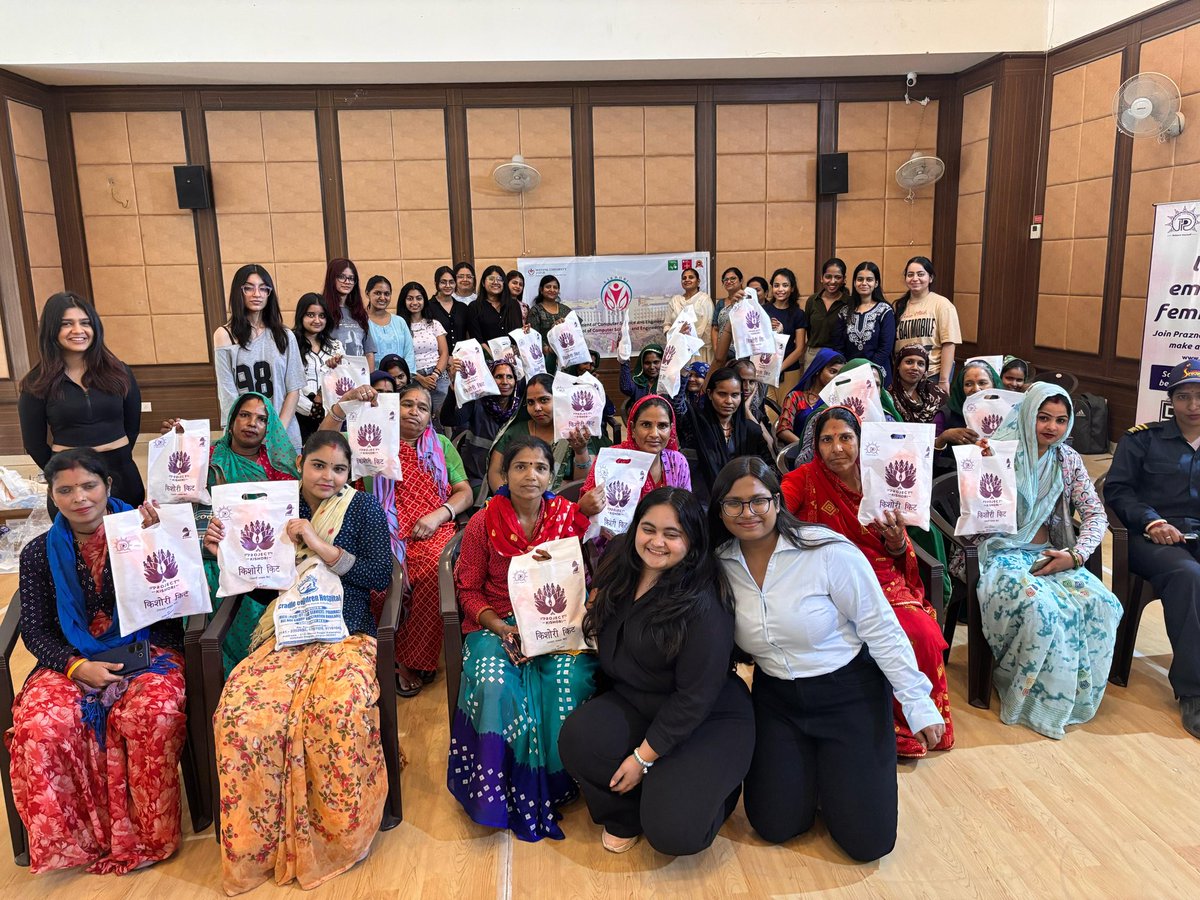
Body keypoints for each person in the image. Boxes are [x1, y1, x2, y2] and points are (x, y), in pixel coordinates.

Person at [710, 458, 945, 860]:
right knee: (774, 826)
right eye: (734, 504)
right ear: (719, 509)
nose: (747, 513)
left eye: (758, 501)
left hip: (848, 694)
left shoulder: (826, 550)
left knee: (868, 844)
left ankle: (839, 772)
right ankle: (819, 775)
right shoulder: (719, 563)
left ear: (778, 502)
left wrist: (918, 701)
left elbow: (881, 628)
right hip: (777, 698)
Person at [208, 430, 393, 894]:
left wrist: (319, 543)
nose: (327, 477)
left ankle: (336, 838)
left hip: (345, 635)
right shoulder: (274, 506)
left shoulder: (361, 508)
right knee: (240, 717)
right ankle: (260, 844)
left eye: (339, 469)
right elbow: (262, 584)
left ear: (350, 474)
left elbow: (378, 575)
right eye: (318, 465)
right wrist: (226, 554)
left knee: (335, 711)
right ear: (300, 464)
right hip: (285, 635)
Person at [9, 448, 184, 875]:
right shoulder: (37, 554)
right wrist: (75, 667)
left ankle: (146, 838)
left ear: (108, 485)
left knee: (152, 712)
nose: (79, 498)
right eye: (65, 490)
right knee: (42, 724)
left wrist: (165, 539)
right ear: (52, 494)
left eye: (89, 485)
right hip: (69, 658)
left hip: (148, 649)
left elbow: (178, 601)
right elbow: (35, 630)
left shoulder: (143, 530)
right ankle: (80, 842)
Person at [559, 488, 754, 855]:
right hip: (638, 699)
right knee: (578, 739)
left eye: (672, 534)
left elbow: (694, 698)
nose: (657, 542)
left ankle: (717, 790)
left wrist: (641, 758)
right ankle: (626, 814)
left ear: (692, 541)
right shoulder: (620, 557)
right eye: (648, 529)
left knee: (673, 833)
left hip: (706, 716)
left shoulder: (704, 601)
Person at [449, 436, 599, 841]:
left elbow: (583, 579)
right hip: (496, 623)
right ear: (505, 474)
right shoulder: (484, 520)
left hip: (556, 623)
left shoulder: (568, 516)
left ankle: (560, 783)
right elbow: (467, 590)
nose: (530, 475)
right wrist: (501, 627)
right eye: (521, 466)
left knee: (570, 679)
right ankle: (494, 790)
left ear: (551, 475)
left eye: (540, 467)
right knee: (494, 685)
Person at [782, 406, 954, 757]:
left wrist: (895, 540)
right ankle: (888, 726)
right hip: (824, 578)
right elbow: (775, 510)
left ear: (860, 441)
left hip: (878, 574)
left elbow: (898, 547)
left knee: (919, 631)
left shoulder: (883, 477)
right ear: (816, 445)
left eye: (846, 438)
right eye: (827, 440)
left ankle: (921, 720)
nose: (837, 448)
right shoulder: (803, 479)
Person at [972, 383, 1121, 739]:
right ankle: (1026, 696)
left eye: (1060, 420)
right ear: (1027, 414)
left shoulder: (1066, 460)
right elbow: (974, 517)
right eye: (1043, 417)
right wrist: (977, 468)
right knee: (1042, 610)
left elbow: (1095, 515)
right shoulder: (995, 451)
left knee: (1103, 604)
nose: (1051, 427)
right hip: (1000, 554)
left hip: (1051, 553)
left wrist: (1075, 554)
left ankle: (1074, 698)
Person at [342, 383, 473, 696]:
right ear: (392, 409)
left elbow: (465, 492)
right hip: (378, 529)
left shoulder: (440, 444)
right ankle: (380, 655)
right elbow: (324, 443)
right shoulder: (369, 438)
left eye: (423, 407)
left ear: (430, 417)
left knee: (432, 572)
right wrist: (343, 405)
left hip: (433, 528)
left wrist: (439, 515)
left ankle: (413, 659)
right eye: (407, 404)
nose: (415, 412)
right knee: (377, 578)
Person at [1104, 359, 1200, 739]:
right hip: (1153, 540)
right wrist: (1152, 521)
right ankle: (1193, 690)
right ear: (1171, 401)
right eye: (1184, 396)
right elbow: (1117, 489)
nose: (1194, 404)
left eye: (1199, 396)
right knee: (1188, 576)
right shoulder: (1142, 438)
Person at [175, 392, 300, 674]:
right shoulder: (206, 455)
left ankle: (259, 676)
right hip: (208, 555)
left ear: (269, 428)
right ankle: (213, 680)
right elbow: (175, 494)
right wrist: (176, 443)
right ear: (232, 420)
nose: (251, 423)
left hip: (260, 558)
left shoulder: (278, 467)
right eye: (245, 415)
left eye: (261, 419)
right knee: (208, 579)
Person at [18, 291, 145, 508]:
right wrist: (61, 472)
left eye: (85, 323)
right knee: (78, 543)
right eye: (67, 324)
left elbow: (132, 427)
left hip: (122, 473)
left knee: (127, 541)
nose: (78, 330)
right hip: (70, 479)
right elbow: (34, 444)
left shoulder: (119, 372)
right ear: (51, 330)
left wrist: (116, 456)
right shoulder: (36, 382)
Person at [213, 264, 304, 450]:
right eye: (249, 287)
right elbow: (228, 394)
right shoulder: (224, 335)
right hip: (243, 437)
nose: (257, 294)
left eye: (264, 288)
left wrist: (277, 432)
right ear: (239, 292)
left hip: (283, 434)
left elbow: (293, 390)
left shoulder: (285, 336)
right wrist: (249, 433)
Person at [580, 395, 691, 537]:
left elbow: (687, 511)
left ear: (671, 429)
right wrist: (585, 506)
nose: (654, 434)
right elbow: (587, 511)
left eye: (662, 426)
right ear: (632, 428)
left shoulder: (677, 462)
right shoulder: (612, 460)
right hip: (616, 544)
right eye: (646, 425)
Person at [487, 373, 603, 496]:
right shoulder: (515, 433)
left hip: (565, 506)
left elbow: (583, 483)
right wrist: (508, 499)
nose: (537, 408)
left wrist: (580, 451)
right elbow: (495, 472)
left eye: (544, 400)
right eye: (531, 402)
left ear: (559, 399)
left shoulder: (575, 433)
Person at [673, 366, 772, 500]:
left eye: (735, 395)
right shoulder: (695, 424)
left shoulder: (751, 430)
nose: (729, 401)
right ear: (709, 394)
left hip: (742, 501)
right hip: (702, 503)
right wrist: (683, 374)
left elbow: (769, 467)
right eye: (722, 394)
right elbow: (677, 407)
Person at [443, 358, 523, 485]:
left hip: (510, 479)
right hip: (477, 477)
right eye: (499, 377)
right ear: (489, 380)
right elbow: (448, 419)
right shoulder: (477, 402)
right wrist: (454, 385)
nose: (505, 382)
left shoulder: (520, 410)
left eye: (509, 377)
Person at [892, 256, 960, 391]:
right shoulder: (898, 306)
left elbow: (949, 343)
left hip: (932, 375)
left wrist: (944, 380)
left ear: (931, 278)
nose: (915, 278)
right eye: (910, 275)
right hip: (903, 376)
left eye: (920, 274)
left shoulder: (943, 305)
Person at [293, 292, 345, 444]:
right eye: (310, 315)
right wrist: (312, 409)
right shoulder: (290, 344)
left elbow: (342, 380)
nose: (317, 320)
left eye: (322, 316)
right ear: (301, 315)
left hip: (331, 413)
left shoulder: (336, 346)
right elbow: (287, 385)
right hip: (300, 415)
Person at [833, 261, 895, 386]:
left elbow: (885, 347)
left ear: (876, 283)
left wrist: (868, 370)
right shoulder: (844, 312)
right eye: (860, 279)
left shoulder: (884, 310)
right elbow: (838, 346)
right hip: (850, 374)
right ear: (855, 283)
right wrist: (849, 369)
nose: (864, 283)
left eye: (869, 279)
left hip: (877, 373)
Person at [397, 280, 450, 424]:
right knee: (418, 420)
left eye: (419, 298)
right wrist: (421, 379)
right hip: (413, 377)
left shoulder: (434, 324)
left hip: (438, 377)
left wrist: (434, 375)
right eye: (410, 298)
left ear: (424, 301)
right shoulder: (399, 326)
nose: (415, 302)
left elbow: (444, 353)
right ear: (404, 301)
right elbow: (400, 357)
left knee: (441, 420)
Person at [932, 360, 998, 467]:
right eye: (968, 384)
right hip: (953, 476)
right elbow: (926, 457)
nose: (976, 389)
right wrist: (944, 437)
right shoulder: (947, 413)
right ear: (961, 387)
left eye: (982, 383)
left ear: (993, 385)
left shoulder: (1005, 414)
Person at [776, 348, 845, 446]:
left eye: (839, 374)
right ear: (818, 370)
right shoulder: (795, 397)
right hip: (798, 451)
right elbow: (783, 430)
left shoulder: (836, 401)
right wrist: (806, 448)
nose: (836, 378)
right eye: (832, 372)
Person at [321, 257, 376, 369]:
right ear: (332, 278)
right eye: (341, 277)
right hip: (332, 376)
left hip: (359, 377)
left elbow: (369, 353)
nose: (347, 282)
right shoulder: (322, 310)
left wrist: (369, 381)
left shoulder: (359, 313)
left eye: (351, 278)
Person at [804, 257, 851, 368]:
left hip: (839, 355)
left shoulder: (850, 303)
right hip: (813, 354)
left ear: (844, 279)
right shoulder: (812, 300)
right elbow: (809, 331)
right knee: (811, 385)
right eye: (828, 277)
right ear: (822, 278)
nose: (832, 281)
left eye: (837, 277)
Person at [662, 267, 714, 363]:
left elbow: (707, 326)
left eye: (691, 277)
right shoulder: (675, 300)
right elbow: (667, 324)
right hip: (677, 348)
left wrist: (687, 338)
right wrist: (674, 336)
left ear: (698, 281)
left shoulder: (704, 299)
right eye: (684, 278)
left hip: (699, 351)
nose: (687, 280)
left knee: (697, 377)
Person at [365, 274, 416, 372]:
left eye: (387, 294)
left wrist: (407, 378)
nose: (383, 297)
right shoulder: (361, 322)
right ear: (367, 293)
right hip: (374, 381)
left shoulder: (399, 321)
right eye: (378, 293)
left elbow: (409, 352)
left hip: (401, 381)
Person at [466, 264, 525, 344]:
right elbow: (477, 340)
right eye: (491, 279)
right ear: (483, 283)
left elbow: (518, 333)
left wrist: (525, 331)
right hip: (487, 355)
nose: (496, 282)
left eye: (500, 279)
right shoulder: (474, 307)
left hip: (513, 354)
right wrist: (495, 356)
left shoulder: (514, 305)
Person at [890, 344, 947, 425]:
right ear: (898, 365)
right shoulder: (888, 397)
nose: (915, 368)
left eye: (920, 364)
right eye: (909, 362)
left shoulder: (938, 395)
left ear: (925, 370)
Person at [525, 275, 572, 373]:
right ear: (541, 290)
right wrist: (547, 350)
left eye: (555, 287)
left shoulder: (566, 309)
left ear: (558, 291)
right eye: (548, 287)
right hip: (545, 359)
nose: (552, 289)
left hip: (568, 357)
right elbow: (534, 336)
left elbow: (575, 331)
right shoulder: (535, 311)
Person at [429, 264, 469, 354]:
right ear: (436, 283)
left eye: (451, 282)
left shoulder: (463, 308)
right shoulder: (428, 307)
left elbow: (468, 335)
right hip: (438, 360)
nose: (448, 285)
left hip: (462, 358)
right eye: (443, 282)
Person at [711, 266, 743, 357]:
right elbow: (715, 328)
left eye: (733, 278)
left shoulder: (748, 301)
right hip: (723, 352)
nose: (729, 281)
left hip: (743, 351)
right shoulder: (721, 303)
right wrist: (717, 350)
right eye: (725, 280)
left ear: (741, 281)